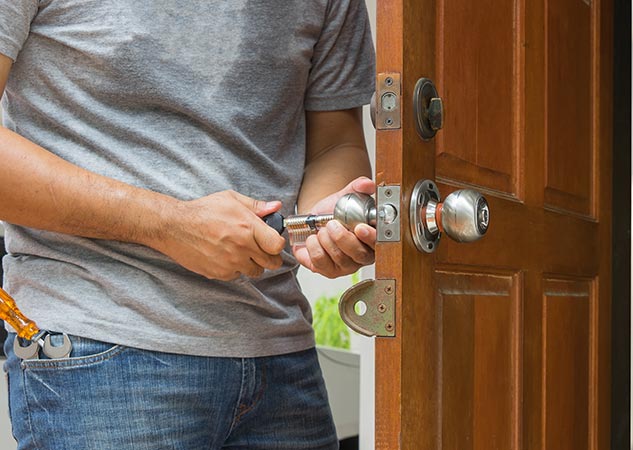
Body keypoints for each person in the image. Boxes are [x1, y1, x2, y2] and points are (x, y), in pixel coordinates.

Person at [0, 1, 376, 448]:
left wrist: (326, 227)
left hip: (280, 354)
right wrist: (168, 225)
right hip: (97, 352)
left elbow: (335, 141)